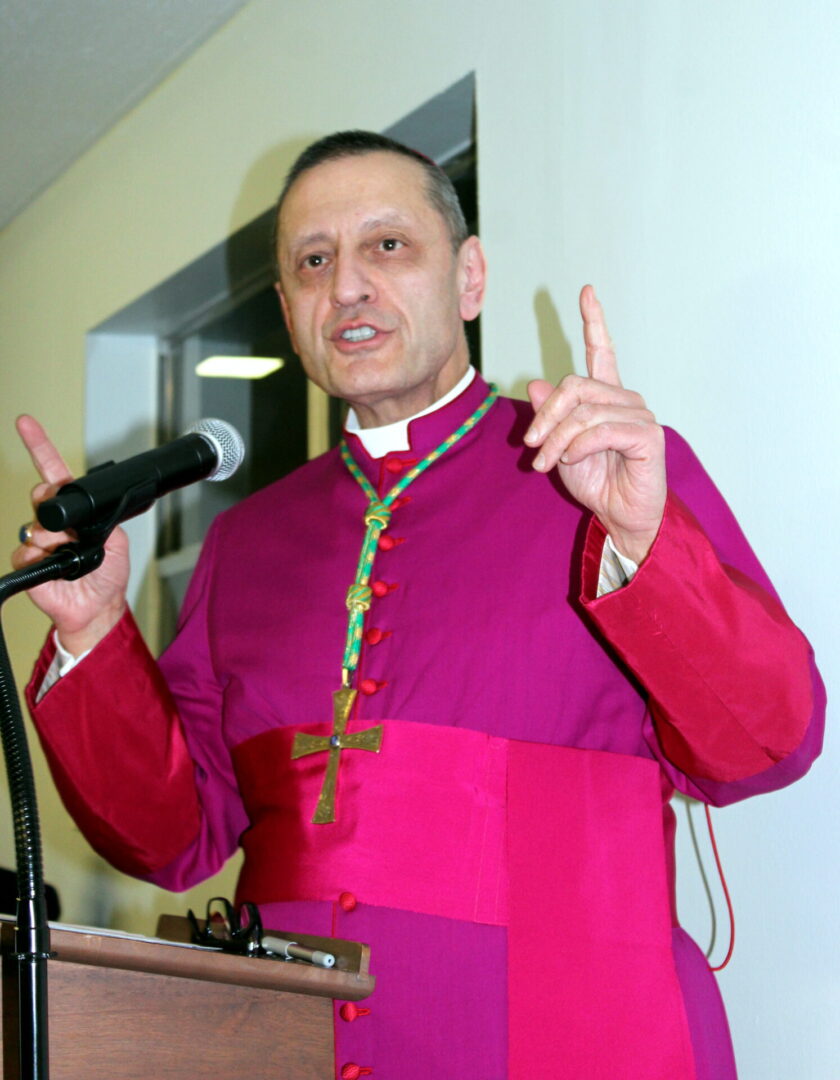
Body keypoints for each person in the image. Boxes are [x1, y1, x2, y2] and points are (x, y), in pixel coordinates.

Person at [14, 132, 824, 1080]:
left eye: (387, 246)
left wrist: (643, 542)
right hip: (292, 1047)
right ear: (289, 310)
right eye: (313, 262)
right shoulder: (248, 542)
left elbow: (771, 742)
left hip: (574, 1034)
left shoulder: (603, 469)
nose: (347, 286)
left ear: (470, 278)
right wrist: (93, 631)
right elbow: (176, 835)